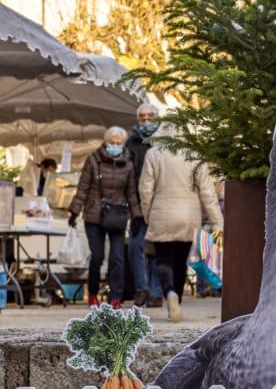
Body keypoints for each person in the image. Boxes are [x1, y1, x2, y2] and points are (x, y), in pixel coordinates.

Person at [139, 134, 223, 323]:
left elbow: (145, 189)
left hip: (162, 214)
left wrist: (147, 214)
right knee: (180, 260)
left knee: (163, 259)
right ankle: (177, 296)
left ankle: (169, 293)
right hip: (189, 216)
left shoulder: (153, 153)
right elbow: (207, 192)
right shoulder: (195, 155)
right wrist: (218, 222)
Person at [68, 128, 142, 308]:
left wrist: (137, 216)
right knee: (97, 256)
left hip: (117, 215)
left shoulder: (128, 165)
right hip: (95, 215)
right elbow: (83, 187)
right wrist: (75, 211)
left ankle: (116, 297)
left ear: (123, 144)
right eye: (112, 142)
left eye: (119, 143)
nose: (115, 146)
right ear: (106, 141)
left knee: (117, 258)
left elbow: (131, 192)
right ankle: (93, 293)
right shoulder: (93, 160)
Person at [127, 103, 163, 308]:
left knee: (157, 251)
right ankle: (141, 290)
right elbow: (127, 177)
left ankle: (156, 292)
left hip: (159, 206)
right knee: (137, 250)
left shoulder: (164, 142)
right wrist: (132, 206)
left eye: (150, 116)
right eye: (143, 117)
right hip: (138, 207)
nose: (146, 120)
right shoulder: (131, 143)